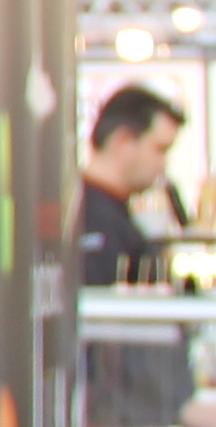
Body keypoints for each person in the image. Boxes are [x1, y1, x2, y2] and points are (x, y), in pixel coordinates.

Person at [77, 88, 183, 289]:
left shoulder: (102, 212)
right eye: (160, 149)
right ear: (123, 141)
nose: (163, 164)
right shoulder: (92, 221)